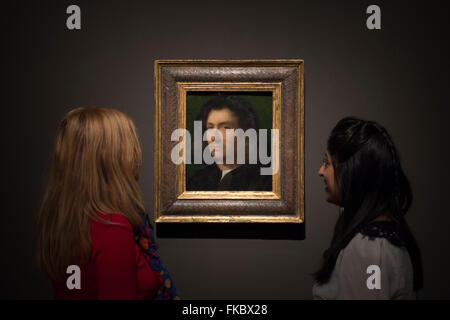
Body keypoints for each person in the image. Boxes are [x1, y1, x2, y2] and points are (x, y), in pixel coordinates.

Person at [36, 107, 179, 300]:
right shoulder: (112, 228)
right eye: (129, 145)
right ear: (111, 159)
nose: (135, 153)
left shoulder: (63, 224)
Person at [313, 117, 423, 299]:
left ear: (351, 172)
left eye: (327, 162)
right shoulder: (375, 240)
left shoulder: (368, 250)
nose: (321, 171)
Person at [186, 95, 271, 191]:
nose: (214, 137)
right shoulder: (197, 181)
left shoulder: (266, 180)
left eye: (225, 128)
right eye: (210, 128)